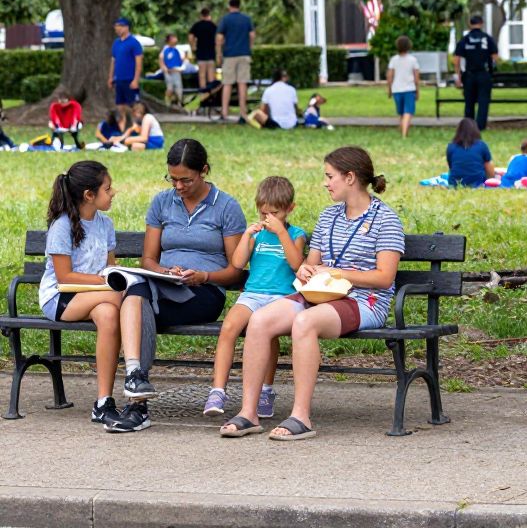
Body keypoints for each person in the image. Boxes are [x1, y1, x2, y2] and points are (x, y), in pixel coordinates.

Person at [219, 146, 404, 440]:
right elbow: (311, 263)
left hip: (363, 301)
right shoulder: (328, 216)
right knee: (261, 319)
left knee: (304, 323)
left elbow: (384, 278)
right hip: (318, 294)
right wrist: (306, 269)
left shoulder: (386, 219)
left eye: (330, 176)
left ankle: (301, 416)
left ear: (351, 178)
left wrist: (336, 273)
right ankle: (249, 413)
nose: (325, 182)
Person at [116, 139, 246, 432]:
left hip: (204, 292)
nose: (178, 186)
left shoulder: (226, 206)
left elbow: (235, 271)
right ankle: (137, 385)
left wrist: (204, 276)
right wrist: (164, 271)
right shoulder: (162, 202)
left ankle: (137, 401)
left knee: (134, 298)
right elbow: (148, 259)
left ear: (204, 171)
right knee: (139, 298)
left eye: (185, 179)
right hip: (162, 285)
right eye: (172, 179)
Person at [39, 161, 150, 430]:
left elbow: (109, 265)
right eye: (108, 189)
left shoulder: (105, 224)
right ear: (89, 195)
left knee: (110, 314)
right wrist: (107, 281)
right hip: (61, 297)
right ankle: (134, 370)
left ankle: (103, 403)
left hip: (96, 295)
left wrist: (112, 275)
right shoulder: (62, 226)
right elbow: (64, 276)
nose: (113, 193)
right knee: (121, 298)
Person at [204, 176, 307, 419]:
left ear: (290, 209)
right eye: (263, 213)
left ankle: (266, 390)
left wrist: (282, 233)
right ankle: (218, 390)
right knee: (229, 327)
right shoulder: (257, 235)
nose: (268, 218)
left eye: (275, 213)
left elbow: (296, 264)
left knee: (267, 334)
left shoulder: (295, 234)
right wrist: (247, 236)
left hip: (282, 298)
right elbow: (238, 263)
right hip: (252, 295)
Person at [454, 14, 498, 131]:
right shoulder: (487, 39)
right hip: (484, 74)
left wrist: (458, 75)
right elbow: (495, 57)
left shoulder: (465, 39)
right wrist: (491, 68)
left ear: (470, 24)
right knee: (483, 101)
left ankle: (469, 126)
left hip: (469, 74)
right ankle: (481, 126)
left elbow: (457, 59)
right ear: (481, 23)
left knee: (469, 101)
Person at [216, 0, 255, 124]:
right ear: (239, 5)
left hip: (229, 55)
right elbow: (252, 35)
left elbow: (219, 37)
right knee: (242, 84)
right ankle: (243, 113)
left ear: (229, 6)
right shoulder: (246, 19)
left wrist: (219, 53)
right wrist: (249, 47)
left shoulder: (226, 19)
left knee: (227, 84)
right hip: (244, 54)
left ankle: (224, 113)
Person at [387, 35, 421, 138]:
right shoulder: (413, 60)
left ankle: (402, 130)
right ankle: (404, 134)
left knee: (401, 113)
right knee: (408, 112)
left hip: (396, 89)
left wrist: (389, 89)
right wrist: (418, 90)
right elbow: (416, 77)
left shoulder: (393, 60)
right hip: (409, 89)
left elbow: (390, 76)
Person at [108, 17, 143, 118]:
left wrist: (136, 80)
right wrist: (111, 77)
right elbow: (113, 61)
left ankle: (135, 125)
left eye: (120, 27)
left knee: (132, 105)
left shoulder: (134, 43)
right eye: (116, 27)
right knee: (120, 104)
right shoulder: (116, 43)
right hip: (118, 79)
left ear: (126, 27)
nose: (117, 29)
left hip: (130, 79)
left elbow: (138, 63)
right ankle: (123, 125)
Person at [446, 118, 495, 188]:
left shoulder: (451, 147)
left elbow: (451, 166)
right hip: (478, 182)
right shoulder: (481, 145)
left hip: (455, 183)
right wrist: (491, 180)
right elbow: (488, 165)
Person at [189, 7, 218, 91]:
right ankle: (212, 91)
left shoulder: (197, 25)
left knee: (202, 74)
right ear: (209, 15)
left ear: (201, 15)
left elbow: (190, 36)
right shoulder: (213, 25)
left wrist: (193, 46)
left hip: (201, 52)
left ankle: (203, 91)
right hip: (211, 52)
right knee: (211, 73)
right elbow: (218, 37)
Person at [159, 33, 185, 108]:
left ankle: (180, 103)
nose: (175, 39)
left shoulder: (177, 49)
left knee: (179, 88)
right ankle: (167, 103)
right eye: (173, 38)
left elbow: (182, 60)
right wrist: (165, 69)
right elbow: (161, 60)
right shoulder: (165, 50)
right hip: (169, 72)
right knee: (170, 88)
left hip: (177, 72)